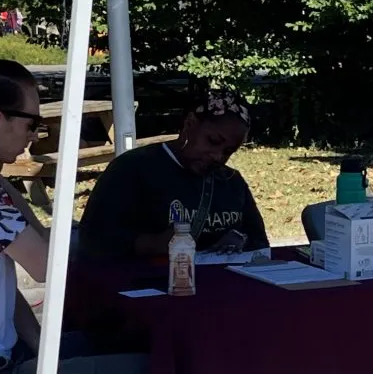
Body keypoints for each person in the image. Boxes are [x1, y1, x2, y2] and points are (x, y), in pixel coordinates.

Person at [0, 58, 145, 374]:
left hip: (3, 360)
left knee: (112, 343)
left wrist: (38, 343)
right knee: (153, 371)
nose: (35, 136)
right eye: (31, 124)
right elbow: (48, 267)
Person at [79, 89, 269, 260]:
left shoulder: (231, 181)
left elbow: (259, 242)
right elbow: (95, 241)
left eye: (229, 151)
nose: (218, 156)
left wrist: (240, 239)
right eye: (212, 141)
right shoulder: (132, 169)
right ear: (190, 124)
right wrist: (154, 245)